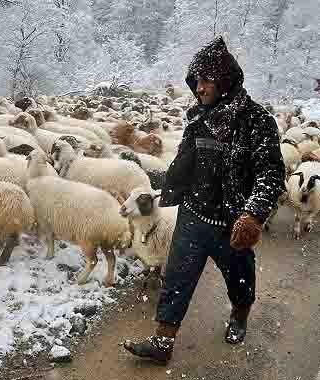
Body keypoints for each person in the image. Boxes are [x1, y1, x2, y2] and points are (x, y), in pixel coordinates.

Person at [123, 36, 286, 364]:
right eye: (196, 80)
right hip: (194, 215)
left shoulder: (257, 121)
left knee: (240, 279)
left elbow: (270, 173)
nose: (199, 87)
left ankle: (239, 316)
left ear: (225, 80)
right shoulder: (198, 119)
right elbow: (183, 162)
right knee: (177, 279)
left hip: (233, 222)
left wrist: (253, 215)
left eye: (207, 80)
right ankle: (163, 343)